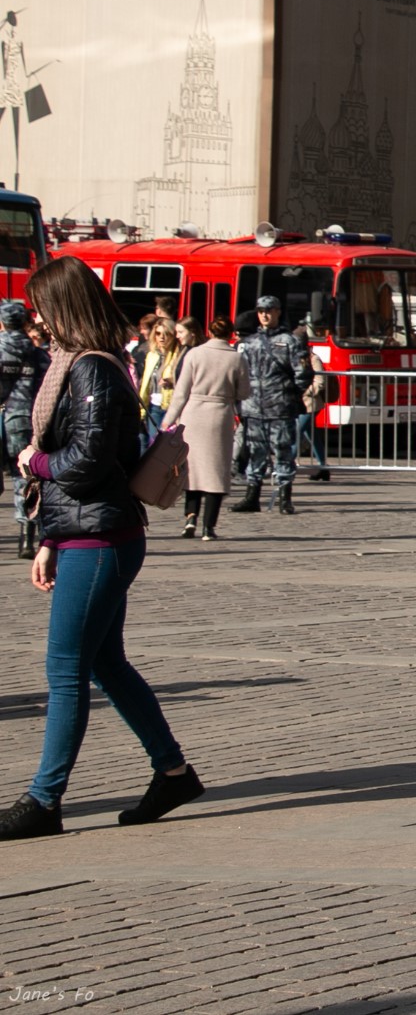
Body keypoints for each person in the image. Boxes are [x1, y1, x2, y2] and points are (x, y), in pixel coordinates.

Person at [0, 256, 203, 841]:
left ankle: (45, 800)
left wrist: (33, 461)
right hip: (87, 532)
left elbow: (87, 462)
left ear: (64, 307)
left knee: (65, 669)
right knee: (106, 663)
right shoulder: (78, 365)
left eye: (43, 308)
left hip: (102, 535)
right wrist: (49, 540)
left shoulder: (91, 369)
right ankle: (173, 771)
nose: (37, 321)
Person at [164, 317, 249, 542]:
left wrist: (168, 420)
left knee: (192, 470)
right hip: (219, 415)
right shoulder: (237, 358)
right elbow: (244, 392)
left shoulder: (194, 354)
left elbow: (181, 392)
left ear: (210, 332)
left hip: (193, 414)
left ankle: (190, 518)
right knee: (215, 473)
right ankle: (208, 528)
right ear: (231, 334)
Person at [232, 295, 313, 516]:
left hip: (280, 407)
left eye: (269, 310)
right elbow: (239, 373)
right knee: (256, 452)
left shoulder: (290, 341)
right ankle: (252, 496)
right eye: (261, 311)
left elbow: (303, 373)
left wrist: (288, 393)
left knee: (283, 452)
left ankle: (285, 498)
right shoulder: (247, 343)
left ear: (278, 312)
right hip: (253, 407)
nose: (265, 315)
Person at [0, 301, 50, 560]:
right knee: (24, 479)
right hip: (25, 421)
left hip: (2, 420)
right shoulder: (38, 354)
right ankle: (26, 538)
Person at [291, 319, 330, 483]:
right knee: (312, 436)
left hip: (310, 403)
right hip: (299, 403)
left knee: (296, 433)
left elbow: (320, 382)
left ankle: (286, 466)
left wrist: (305, 392)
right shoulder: (293, 357)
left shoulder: (313, 358)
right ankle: (324, 467)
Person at [138, 317, 182, 437]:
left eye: (166, 334)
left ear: (173, 335)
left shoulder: (179, 356)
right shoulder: (152, 355)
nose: (162, 337)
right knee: (153, 444)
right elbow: (146, 384)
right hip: (153, 406)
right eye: (158, 333)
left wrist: (172, 382)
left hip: (171, 406)